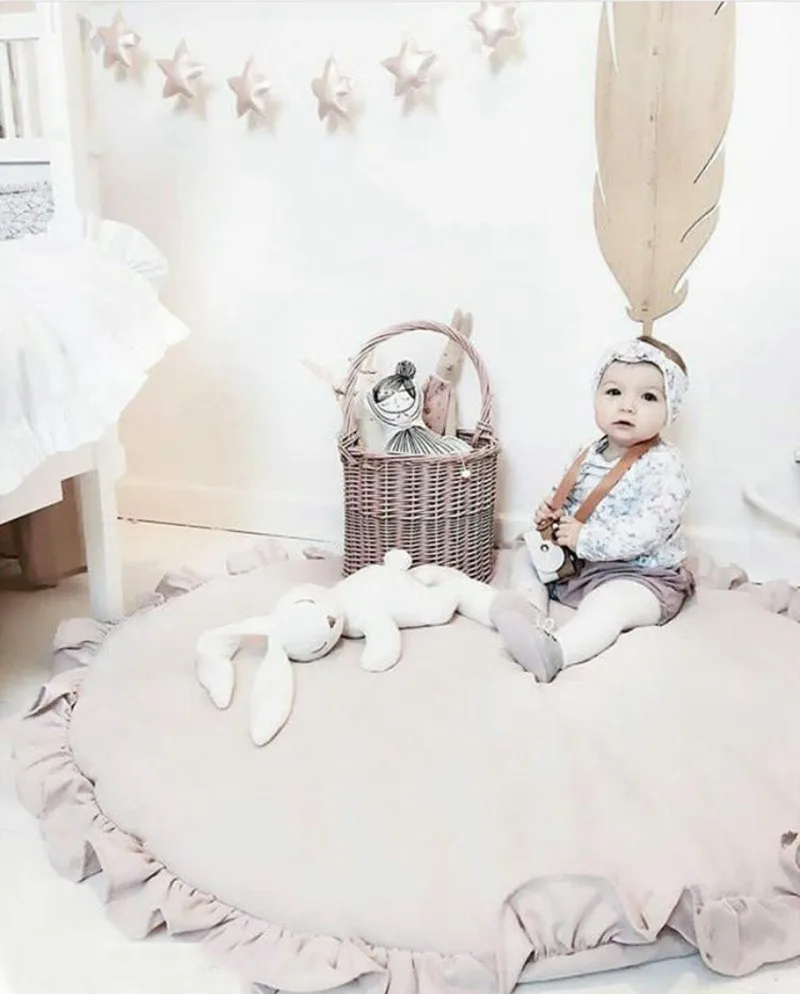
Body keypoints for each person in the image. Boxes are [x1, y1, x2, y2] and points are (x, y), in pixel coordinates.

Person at [490, 336, 696, 682]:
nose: (627, 406)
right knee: (524, 554)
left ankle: (556, 651)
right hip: (584, 564)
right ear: (596, 396)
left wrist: (585, 538)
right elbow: (572, 496)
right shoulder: (588, 452)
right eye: (614, 392)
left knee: (610, 603)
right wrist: (552, 513)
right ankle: (530, 614)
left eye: (647, 397)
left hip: (642, 575)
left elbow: (648, 531)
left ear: (670, 408)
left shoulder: (665, 466)